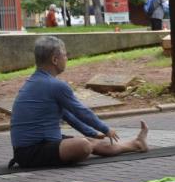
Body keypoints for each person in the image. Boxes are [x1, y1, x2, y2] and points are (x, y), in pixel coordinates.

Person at [9, 36, 149, 168]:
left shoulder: (36, 82)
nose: (67, 58)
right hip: (32, 151)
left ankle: (136, 144)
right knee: (83, 145)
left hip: (41, 145)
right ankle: (117, 143)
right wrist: (105, 129)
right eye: (65, 55)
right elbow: (81, 111)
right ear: (55, 60)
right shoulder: (55, 85)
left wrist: (92, 133)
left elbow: (68, 115)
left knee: (93, 142)